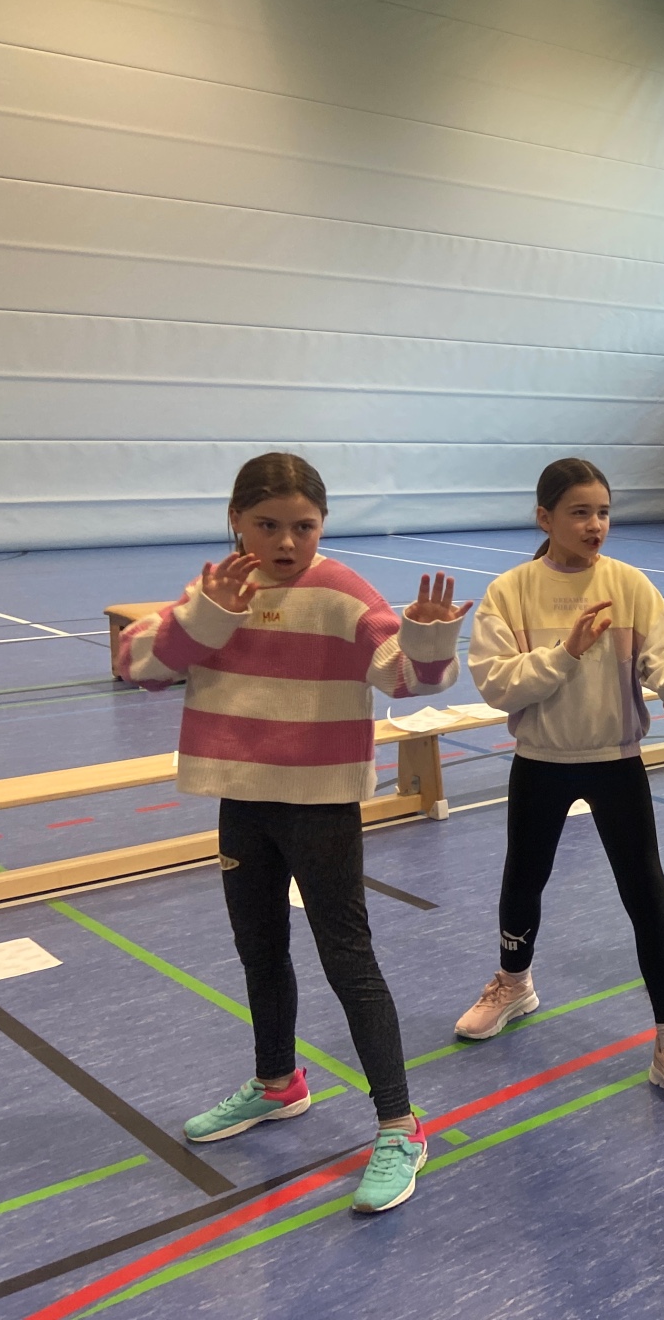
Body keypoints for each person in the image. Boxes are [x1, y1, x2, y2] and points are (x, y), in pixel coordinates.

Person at [119, 453, 468, 1213]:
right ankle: (278, 1082)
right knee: (260, 949)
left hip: (320, 805)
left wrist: (427, 638)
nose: (286, 542)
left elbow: (406, 676)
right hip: (242, 801)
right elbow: (138, 665)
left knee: (349, 960)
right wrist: (207, 617)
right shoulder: (215, 593)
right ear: (236, 521)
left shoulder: (341, 592)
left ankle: (401, 1125)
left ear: (323, 525)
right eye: (267, 525)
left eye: (303, 527)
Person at [459, 458, 664, 1116]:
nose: (595, 524)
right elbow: (497, 685)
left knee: (646, 894)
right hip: (540, 760)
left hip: (615, 759)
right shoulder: (510, 592)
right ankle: (514, 984)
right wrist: (566, 652)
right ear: (544, 518)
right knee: (524, 878)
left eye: (603, 511)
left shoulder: (629, 586)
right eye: (579, 512)